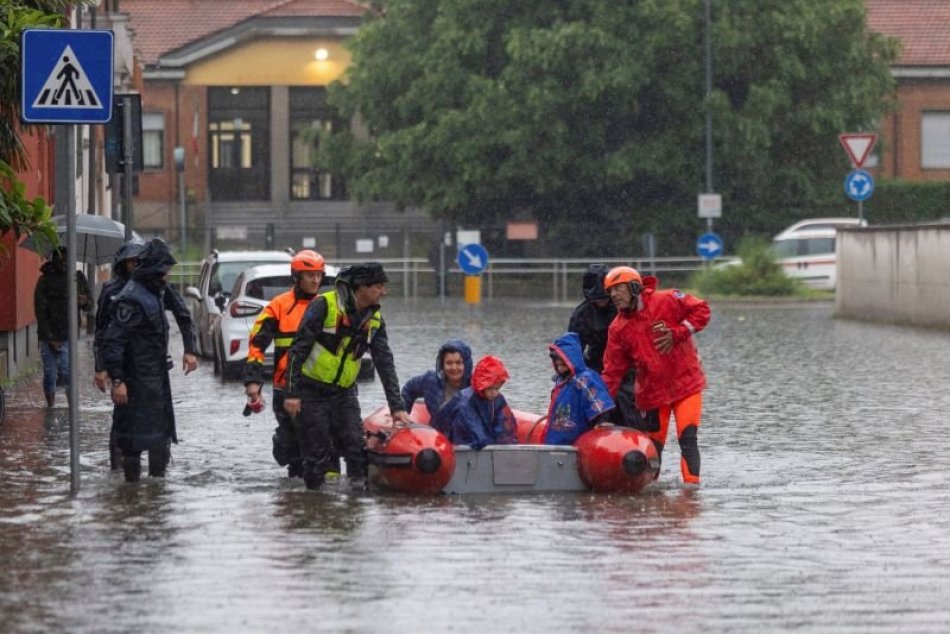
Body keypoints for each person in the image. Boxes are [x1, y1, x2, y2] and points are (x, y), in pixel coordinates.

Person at [284, 262, 412, 490]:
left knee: (356, 447)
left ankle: (356, 501)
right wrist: (291, 393)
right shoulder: (324, 305)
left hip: (344, 393)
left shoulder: (374, 319)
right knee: (318, 453)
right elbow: (297, 351)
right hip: (311, 390)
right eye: (379, 287)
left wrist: (397, 406)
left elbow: (384, 362)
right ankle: (314, 505)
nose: (384, 292)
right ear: (361, 287)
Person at [93, 239, 199, 470]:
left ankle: (155, 486)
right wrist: (111, 374)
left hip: (155, 373)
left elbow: (183, 314)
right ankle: (126, 480)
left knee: (158, 432)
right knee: (128, 432)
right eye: (130, 261)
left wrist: (189, 349)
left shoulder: (159, 290)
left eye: (136, 260)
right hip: (133, 373)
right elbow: (106, 335)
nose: (134, 265)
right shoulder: (125, 294)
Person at [600, 266, 710, 486]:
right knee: (653, 446)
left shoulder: (666, 299)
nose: (613, 295)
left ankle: (690, 494)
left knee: (687, 438)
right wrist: (599, 411)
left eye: (618, 289)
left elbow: (702, 310)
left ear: (634, 287)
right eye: (610, 291)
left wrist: (678, 333)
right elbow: (612, 373)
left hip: (685, 386)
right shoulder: (617, 329)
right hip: (652, 395)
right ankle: (650, 491)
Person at [243, 250, 326, 478]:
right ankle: (295, 497)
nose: (316, 281)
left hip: (320, 386)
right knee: (294, 450)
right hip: (285, 387)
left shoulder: (328, 305)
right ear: (296, 277)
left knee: (321, 447)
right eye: (310, 275)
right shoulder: (278, 306)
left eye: (319, 275)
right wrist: (253, 382)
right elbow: (257, 345)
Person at [33, 246, 91, 407]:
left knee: (67, 371)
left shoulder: (78, 279)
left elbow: (89, 305)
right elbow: (40, 311)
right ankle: (50, 402)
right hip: (49, 336)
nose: (64, 264)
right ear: (55, 260)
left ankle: (71, 402)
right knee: (50, 374)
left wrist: (84, 301)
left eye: (67, 261)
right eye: (61, 261)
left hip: (69, 334)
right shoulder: (44, 280)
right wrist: (49, 337)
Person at [431, 355, 518, 450]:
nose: (494, 393)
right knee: (479, 439)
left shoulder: (497, 399)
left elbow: (505, 428)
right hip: (451, 441)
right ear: (482, 385)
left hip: (478, 435)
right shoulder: (466, 402)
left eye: (497, 388)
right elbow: (477, 435)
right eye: (490, 388)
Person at [544, 332, 615, 445]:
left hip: (579, 431)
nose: (560, 369)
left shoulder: (586, 379)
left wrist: (602, 421)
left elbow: (599, 401)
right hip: (561, 430)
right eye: (558, 366)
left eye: (563, 365)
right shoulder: (562, 381)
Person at [400, 338, 473, 418]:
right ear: (442, 365)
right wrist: (403, 411)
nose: (454, 367)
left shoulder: (475, 386)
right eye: (449, 363)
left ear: (466, 364)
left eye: (458, 363)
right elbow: (409, 389)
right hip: (436, 428)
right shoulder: (430, 380)